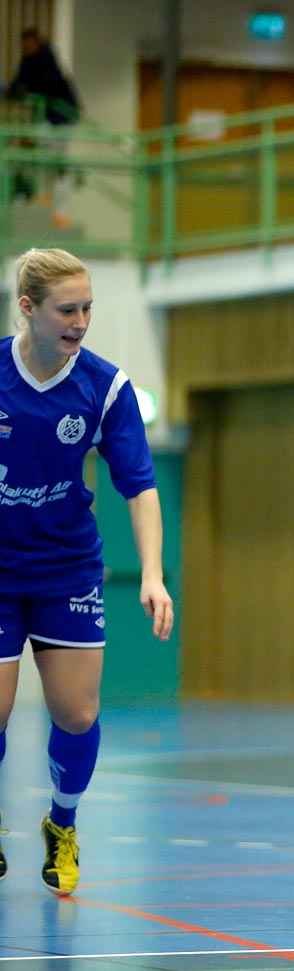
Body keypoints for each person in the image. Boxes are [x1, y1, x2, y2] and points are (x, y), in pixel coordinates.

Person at [0, 248, 174, 895]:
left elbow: (140, 485)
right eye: (66, 310)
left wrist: (152, 574)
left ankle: (62, 823)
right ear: (28, 309)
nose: (80, 321)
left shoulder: (104, 387)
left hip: (66, 569)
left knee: (75, 714)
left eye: (88, 308)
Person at [6, 28, 82, 225]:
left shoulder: (47, 60)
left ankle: (58, 207)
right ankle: (37, 196)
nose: (26, 48)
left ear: (36, 43)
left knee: (56, 162)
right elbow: (18, 85)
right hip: (46, 119)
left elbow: (47, 87)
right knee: (37, 158)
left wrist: (27, 90)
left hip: (60, 118)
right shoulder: (27, 61)